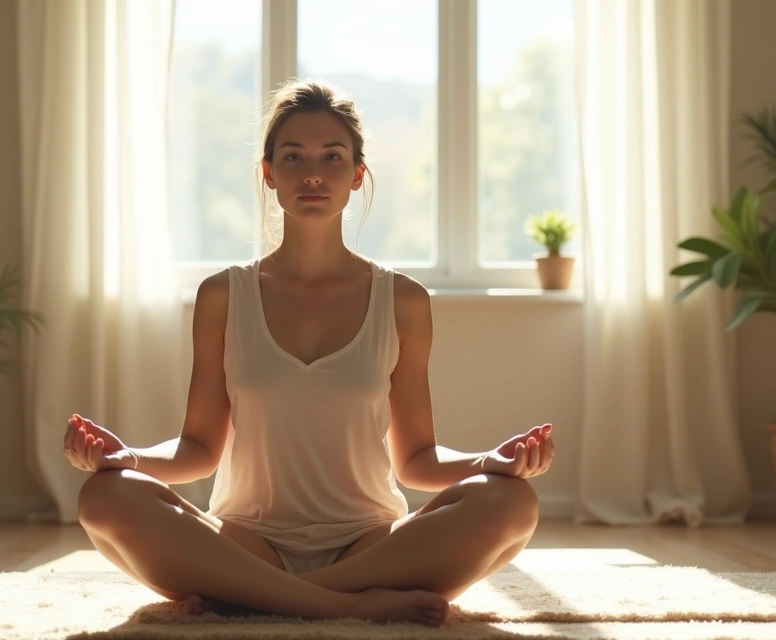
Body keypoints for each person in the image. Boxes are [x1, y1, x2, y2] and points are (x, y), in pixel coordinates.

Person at [62, 79, 555, 628]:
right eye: (293, 157)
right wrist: (124, 458)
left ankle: (258, 600)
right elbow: (199, 448)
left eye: (332, 157)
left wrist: (491, 463)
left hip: (371, 547)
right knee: (105, 497)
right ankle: (342, 604)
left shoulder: (404, 300)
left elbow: (416, 462)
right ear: (269, 174)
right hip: (245, 543)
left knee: (512, 504)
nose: (313, 173)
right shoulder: (224, 295)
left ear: (357, 175)